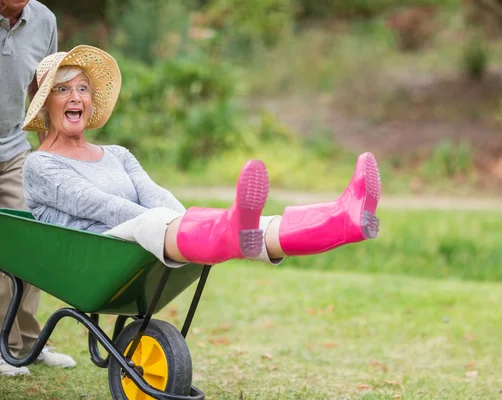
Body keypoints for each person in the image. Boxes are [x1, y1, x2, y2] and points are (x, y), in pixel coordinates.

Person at [21, 45, 381, 275]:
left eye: (83, 88)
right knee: (165, 222)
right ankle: (228, 229)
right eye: (63, 89)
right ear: (46, 103)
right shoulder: (40, 165)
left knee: (247, 225)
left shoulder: (117, 154)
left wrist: (187, 221)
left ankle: (342, 219)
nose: (76, 97)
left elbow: (153, 193)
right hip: (97, 255)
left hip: (141, 244)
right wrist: (178, 225)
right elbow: (99, 206)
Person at [0, 0, 75, 376]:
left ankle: (28, 342)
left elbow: (40, 89)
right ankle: (3, 346)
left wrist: (49, 151)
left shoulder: (43, 19)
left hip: (13, 149)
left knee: (28, 243)